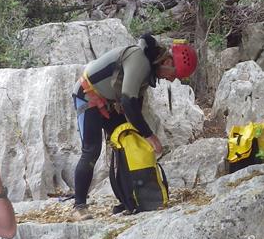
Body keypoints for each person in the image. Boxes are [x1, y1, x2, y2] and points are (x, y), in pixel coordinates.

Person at [71, 35, 197, 219]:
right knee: (91, 151)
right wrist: (149, 135)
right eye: (174, 74)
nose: (171, 80)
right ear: (168, 61)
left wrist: (139, 133)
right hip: (87, 96)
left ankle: (129, 199)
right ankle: (79, 207)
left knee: (128, 143)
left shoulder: (148, 68)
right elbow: (128, 100)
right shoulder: (140, 59)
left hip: (107, 102)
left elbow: (134, 103)